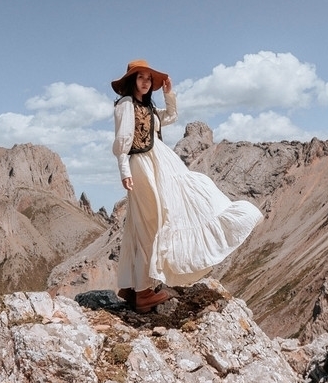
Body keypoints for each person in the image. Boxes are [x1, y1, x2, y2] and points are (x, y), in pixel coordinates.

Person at [111, 59, 263, 313]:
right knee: (151, 222)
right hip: (143, 166)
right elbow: (123, 140)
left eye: (149, 78)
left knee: (146, 220)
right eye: (141, 78)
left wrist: (169, 93)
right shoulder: (126, 105)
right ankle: (144, 292)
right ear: (132, 81)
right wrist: (125, 171)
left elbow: (170, 117)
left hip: (158, 164)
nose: (146, 82)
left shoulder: (146, 107)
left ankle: (132, 285)